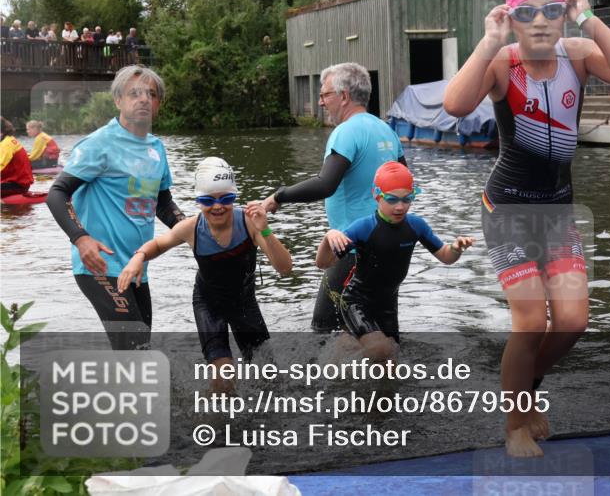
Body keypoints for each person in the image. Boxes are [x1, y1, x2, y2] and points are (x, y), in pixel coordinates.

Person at [443, 0, 610, 457]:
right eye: (527, 13)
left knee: (574, 321)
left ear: (563, 15)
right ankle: (515, 426)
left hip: (557, 211)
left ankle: (526, 383)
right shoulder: (502, 63)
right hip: (508, 208)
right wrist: (488, 42)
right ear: (511, 19)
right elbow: (454, 104)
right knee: (531, 321)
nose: (540, 22)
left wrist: (590, 20)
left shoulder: (577, 56)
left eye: (551, 11)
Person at [118, 157, 292, 393]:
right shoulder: (191, 228)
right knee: (223, 381)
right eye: (208, 200)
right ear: (198, 202)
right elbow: (158, 244)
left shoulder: (249, 223)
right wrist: (137, 257)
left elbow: (284, 268)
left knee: (270, 380)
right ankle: (220, 426)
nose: (217, 206)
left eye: (226, 199)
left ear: (234, 198)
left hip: (244, 303)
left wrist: (265, 229)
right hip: (209, 305)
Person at [254, 62, 406, 333]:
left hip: (353, 249)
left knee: (323, 329)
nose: (321, 102)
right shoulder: (387, 131)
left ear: (344, 96)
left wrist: (279, 196)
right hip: (389, 249)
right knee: (382, 329)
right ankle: (390, 374)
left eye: (325, 95)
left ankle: (338, 376)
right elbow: (405, 184)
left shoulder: (346, 131)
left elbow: (326, 184)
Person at [46, 66, 184, 350]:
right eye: (134, 93)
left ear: (159, 104)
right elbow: (57, 193)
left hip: (136, 268)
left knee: (140, 351)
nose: (143, 99)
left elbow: (162, 203)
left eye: (151, 94)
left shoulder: (156, 148)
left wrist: (196, 227)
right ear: (118, 100)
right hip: (99, 265)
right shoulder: (99, 144)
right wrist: (80, 238)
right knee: (134, 350)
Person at [316, 162, 473, 364]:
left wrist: (456, 248)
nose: (400, 206)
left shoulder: (416, 226)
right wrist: (328, 237)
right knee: (382, 350)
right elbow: (323, 263)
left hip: (388, 304)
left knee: (390, 367)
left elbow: (445, 256)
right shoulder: (363, 228)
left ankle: (350, 347)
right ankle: (341, 360)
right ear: (377, 196)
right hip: (356, 302)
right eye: (392, 200)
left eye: (407, 199)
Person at [1, 117, 34, 197]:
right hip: (14, 182)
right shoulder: (7, 140)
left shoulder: (6, 144)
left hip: (18, 185)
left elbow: (1, 165)